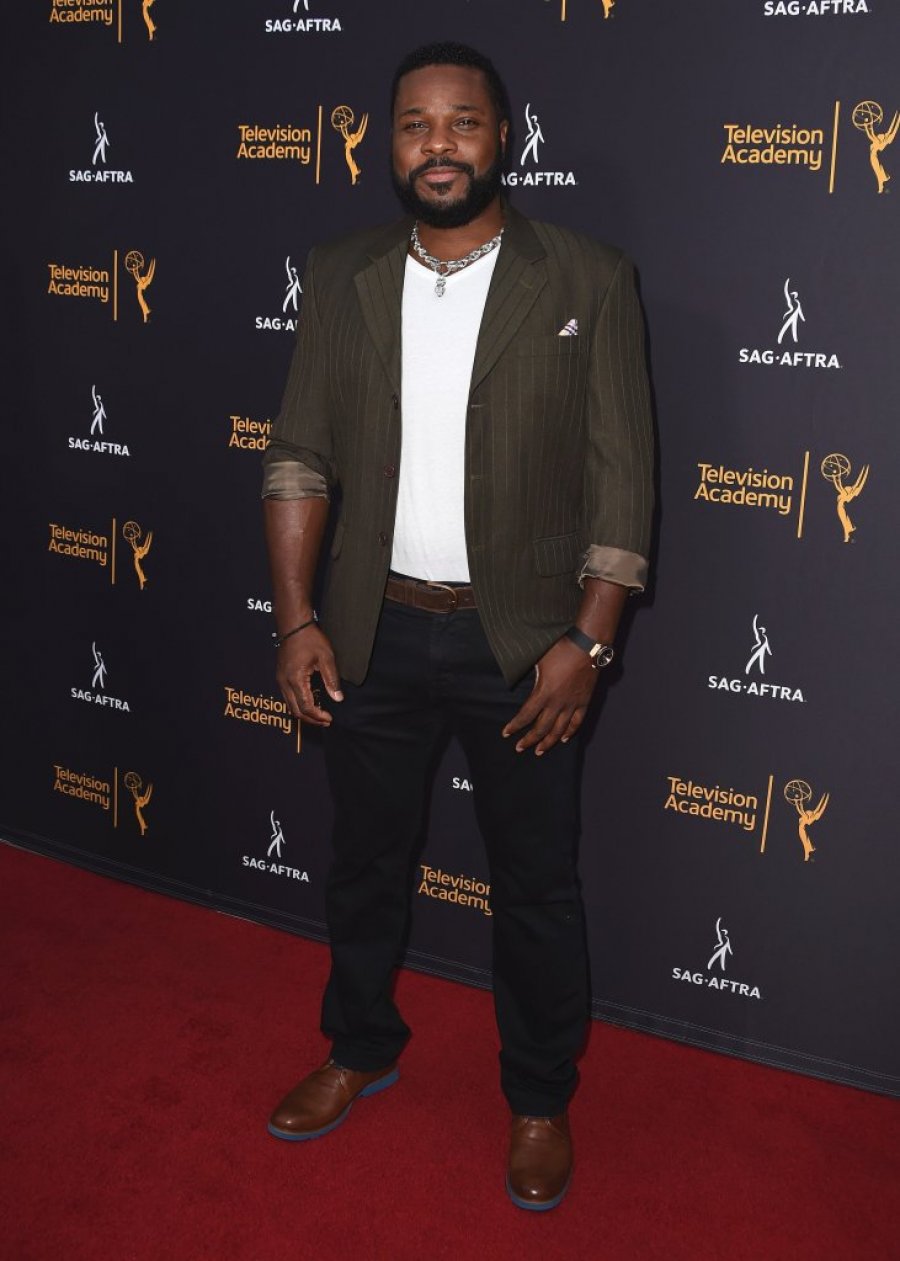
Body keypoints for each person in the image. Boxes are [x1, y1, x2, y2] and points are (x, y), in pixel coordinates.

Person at [261, 41, 654, 1212]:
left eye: (462, 122)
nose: (438, 144)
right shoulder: (340, 273)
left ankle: (538, 1096)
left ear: (502, 138)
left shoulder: (587, 276)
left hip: (523, 647)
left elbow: (623, 485)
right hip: (371, 633)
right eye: (415, 124)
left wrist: (587, 644)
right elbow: (298, 456)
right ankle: (358, 1046)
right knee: (364, 862)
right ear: (389, 144)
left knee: (535, 883)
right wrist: (295, 620)